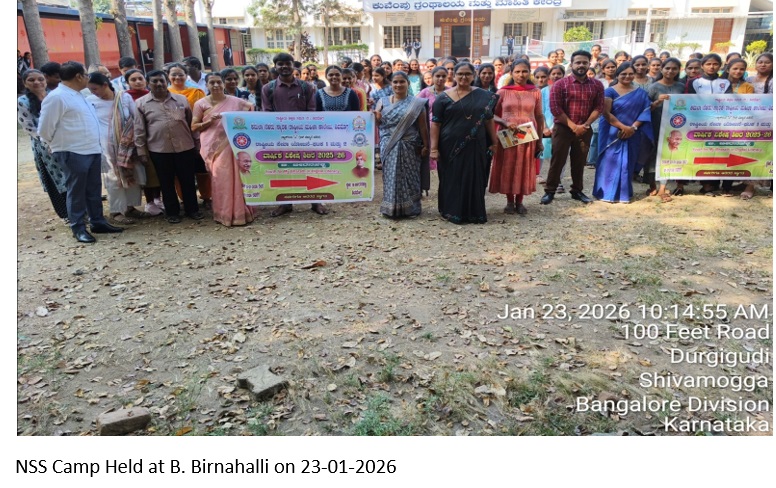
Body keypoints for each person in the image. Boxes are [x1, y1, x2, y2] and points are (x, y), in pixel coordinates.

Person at [38, 61, 124, 243]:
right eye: (86, 75)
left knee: (93, 189)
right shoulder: (57, 97)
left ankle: (97, 221)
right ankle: (78, 227)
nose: (87, 78)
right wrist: (59, 146)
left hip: (91, 149)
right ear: (78, 76)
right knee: (76, 191)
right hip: (72, 151)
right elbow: (45, 129)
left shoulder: (79, 95)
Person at [431, 62, 498, 224]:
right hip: (449, 146)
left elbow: (489, 120)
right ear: (454, 76)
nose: (464, 77)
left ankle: (474, 213)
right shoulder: (442, 98)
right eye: (460, 74)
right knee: (451, 178)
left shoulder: (484, 96)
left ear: (473, 75)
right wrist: (433, 148)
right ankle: (451, 211)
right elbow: (436, 124)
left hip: (476, 145)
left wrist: (494, 142)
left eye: (468, 74)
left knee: (474, 177)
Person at [134, 70, 203, 224]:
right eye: (155, 81)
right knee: (166, 182)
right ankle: (172, 212)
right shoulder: (141, 103)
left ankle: (192, 209)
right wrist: (141, 152)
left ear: (167, 82)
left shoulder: (181, 99)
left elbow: (191, 124)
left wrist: (197, 145)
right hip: (159, 150)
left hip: (185, 147)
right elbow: (139, 130)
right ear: (148, 84)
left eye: (162, 81)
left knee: (188, 180)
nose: (159, 84)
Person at [261, 53, 326, 217]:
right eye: (280, 64)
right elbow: (267, 113)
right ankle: (285, 204)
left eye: (287, 63)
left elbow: (312, 110)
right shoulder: (268, 88)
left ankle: (316, 202)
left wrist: (303, 130)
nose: (284, 66)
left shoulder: (306, 87)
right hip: (279, 138)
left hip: (305, 137)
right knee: (282, 169)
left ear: (293, 65)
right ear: (275, 66)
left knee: (311, 168)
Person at [192, 72, 255, 227]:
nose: (216, 85)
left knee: (239, 178)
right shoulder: (200, 104)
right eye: (212, 82)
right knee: (220, 179)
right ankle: (224, 213)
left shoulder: (236, 102)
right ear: (206, 85)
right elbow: (194, 126)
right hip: (214, 148)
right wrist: (209, 121)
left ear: (223, 84)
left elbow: (251, 113)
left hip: (234, 145)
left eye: (218, 82)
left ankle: (241, 213)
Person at [541, 50, 604, 205]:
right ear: (572, 64)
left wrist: (585, 125)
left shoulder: (596, 85)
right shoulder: (560, 84)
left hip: (585, 128)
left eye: (584, 62)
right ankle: (550, 191)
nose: (581, 65)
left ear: (589, 64)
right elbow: (555, 108)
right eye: (578, 62)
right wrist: (573, 126)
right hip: (563, 128)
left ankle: (577, 191)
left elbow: (599, 107)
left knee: (579, 161)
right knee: (558, 160)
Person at [86, 73, 147, 224]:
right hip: (106, 147)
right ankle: (116, 211)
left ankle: (130, 207)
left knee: (131, 174)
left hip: (127, 145)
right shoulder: (90, 101)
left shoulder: (124, 98)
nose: (93, 92)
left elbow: (135, 118)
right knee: (114, 179)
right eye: (91, 90)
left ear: (105, 85)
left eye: (95, 89)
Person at [593, 62, 652, 204]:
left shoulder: (641, 93)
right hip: (611, 132)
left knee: (628, 162)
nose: (627, 76)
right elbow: (606, 113)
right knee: (609, 161)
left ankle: (624, 193)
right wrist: (623, 127)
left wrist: (633, 128)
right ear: (617, 75)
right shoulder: (610, 92)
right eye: (623, 74)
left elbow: (645, 112)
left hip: (633, 133)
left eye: (630, 74)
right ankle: (606, 192)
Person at [490, 60, 544, 215]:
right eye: (518, 71)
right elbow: (491, 114)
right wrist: (504, 122)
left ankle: (520, 201)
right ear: (511, 73)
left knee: (523, 166)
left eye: (525, 71)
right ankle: (509, 201)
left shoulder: (535, 92)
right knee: (508, 166)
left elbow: (539, 117)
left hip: (527, 135)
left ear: (529, 73)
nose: (521, 75)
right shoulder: (502, 92)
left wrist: (540, 141)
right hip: (508, 134)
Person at [374, 71, 429, 218]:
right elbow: (378, 123)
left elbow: (423, 127)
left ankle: (411, 209)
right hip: (388, 145)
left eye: (402, 82)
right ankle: (391, 208)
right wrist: (376, 118)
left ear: (408, 83)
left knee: (410, 177)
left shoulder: (416, 103)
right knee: (390, 176)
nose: (398, 85)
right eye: (395, 82)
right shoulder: (382, 101)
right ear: (391, 84)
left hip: (409, 145)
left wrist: (426, 145)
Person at [17, 69, 68, 221]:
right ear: (25, 83)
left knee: (72, 175)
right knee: (56, 179)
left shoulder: (54, 96)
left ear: (45, 80)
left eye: (40, 79)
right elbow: (29, 128)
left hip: (65, 141)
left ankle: (81, 210)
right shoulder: (22, 102)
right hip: (43, 146)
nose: (37, 82)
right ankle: (66, 213)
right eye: (31, 80)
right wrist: (48, 142)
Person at [167, 63, 212, 208]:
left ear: (186, 76)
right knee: (180, 171)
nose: (177, 77)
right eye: (174, 74)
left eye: (181, 74)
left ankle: (207, 197)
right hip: (177, 136)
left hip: (199, 133)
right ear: (168, 76)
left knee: (202, 168)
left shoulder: (196, 92)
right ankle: (184, 198)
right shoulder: (166, 94)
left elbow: (206, 111)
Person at [123, 68, 165, 216]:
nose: (138, 82)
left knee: (158, 171)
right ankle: (149, 202)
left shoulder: (153, 94)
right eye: (133, 80)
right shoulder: (125, 98)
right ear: (127, 82)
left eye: (140, 78)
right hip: (138, 140)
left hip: (157, 140)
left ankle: (158, 198)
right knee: (146, 172)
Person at [645, 57, 684, 203]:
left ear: (678, 70)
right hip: (655, 125)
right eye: (667, 68)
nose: (670, 71)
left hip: (675, 126)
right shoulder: (654, 87)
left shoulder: (681, 87)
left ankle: (663, 186)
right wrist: (657, 101)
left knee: (669, 153)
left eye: (674, 68)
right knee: (653, 154)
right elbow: (646, 108)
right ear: (662, 69)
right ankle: (652, 185)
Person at [417, 66, 448, 172]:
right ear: (433, 77)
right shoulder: (425, 92)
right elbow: (415, 106)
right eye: (437, 76)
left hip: (446, 128)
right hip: (429, 128)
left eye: (443, 76)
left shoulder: (451, 91)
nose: (440, 78)